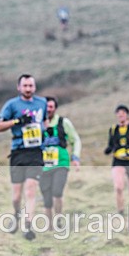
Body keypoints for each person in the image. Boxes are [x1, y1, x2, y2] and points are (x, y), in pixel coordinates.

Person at [0, 74, 48, 240]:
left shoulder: (42, 103)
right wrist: (17, 121)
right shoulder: (11, 105)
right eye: (25, 86)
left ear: (35, 87)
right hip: (18, 152)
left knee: (31, 190)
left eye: (30, 85)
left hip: (36, 152)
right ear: (19, 87)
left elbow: (44, 122)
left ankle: (28, 226)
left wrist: (45, 134)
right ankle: (17, 213)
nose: (28, 89)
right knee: (17, 196)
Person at [40, 96, 81, 229]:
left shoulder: (64, 123)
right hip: (43, 165)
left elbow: (76, 140)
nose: (49, 109)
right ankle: (49, 225)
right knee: (46, 196)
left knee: (57, 191)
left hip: (61, 163)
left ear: (55, 108)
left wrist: (75, 157)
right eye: (47, 107)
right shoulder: (37, 124)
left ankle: (58, 220)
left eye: (51, 107)